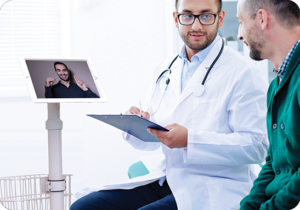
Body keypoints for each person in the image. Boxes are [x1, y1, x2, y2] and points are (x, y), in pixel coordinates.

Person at [71, 0, 269, 209]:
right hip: (168, 178)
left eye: (205, 15)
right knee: (83, 207)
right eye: (187, 16)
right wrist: (138, 123)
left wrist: (190, 140)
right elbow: (156, 137)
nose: (196, 26)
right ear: (176, 19)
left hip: (215, 185)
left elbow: (257, 147)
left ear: (219, 18)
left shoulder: (244, 73)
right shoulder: (165, 69)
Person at [236, 0, 300, 209]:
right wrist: (249, 206)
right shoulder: (275, 87)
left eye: (241, 22)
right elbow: (273, 162)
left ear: (262, 19)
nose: (239, 34)